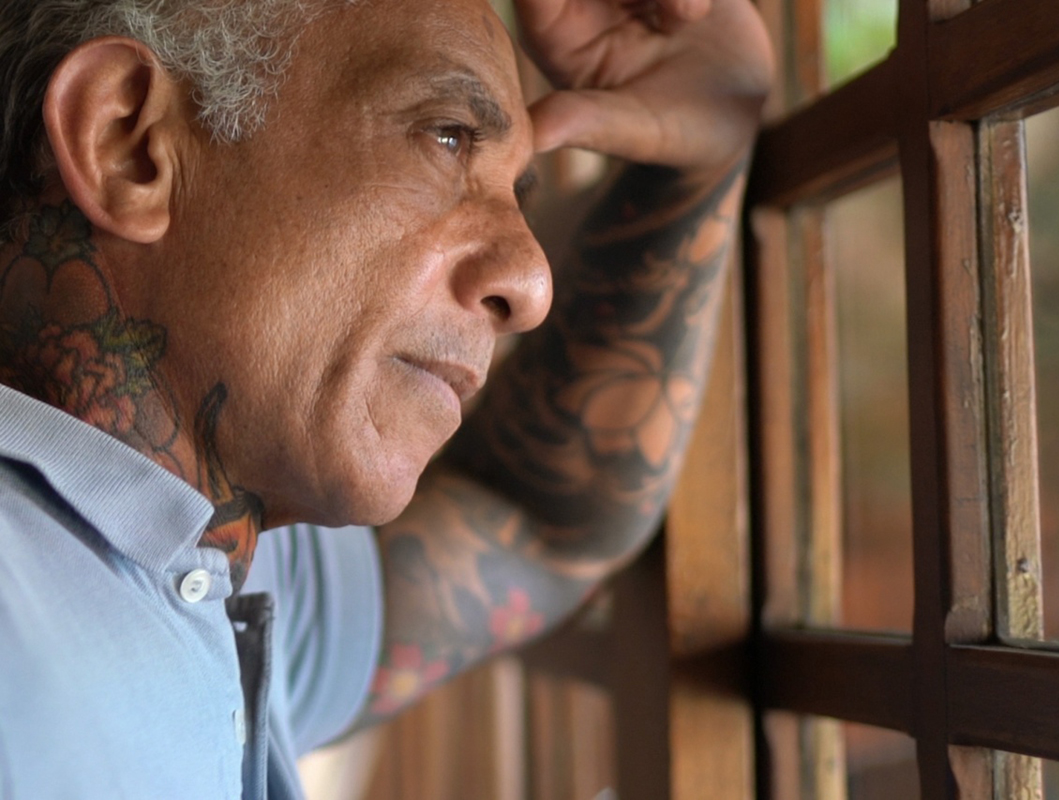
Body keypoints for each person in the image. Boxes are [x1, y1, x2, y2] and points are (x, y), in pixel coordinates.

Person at [0, 0, 772, 795]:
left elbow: (528, 520)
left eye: (517, 196)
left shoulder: (216, 560)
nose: (532, 284)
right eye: (447, 138)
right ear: (127, 143)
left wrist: (700, 156)